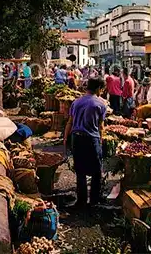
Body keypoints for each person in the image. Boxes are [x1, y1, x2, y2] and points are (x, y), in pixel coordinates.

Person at [64, 77, 107, 208]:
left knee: (80, 171)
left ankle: (81, 201)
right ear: (99, 89)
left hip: (76, 138)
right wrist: (101, 140)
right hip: (91, 139)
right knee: (96, 171)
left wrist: (66, 138)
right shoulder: (100, 104)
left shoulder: (76, 102)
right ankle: (94, 200)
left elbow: (70, 122)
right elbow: (101, 127)